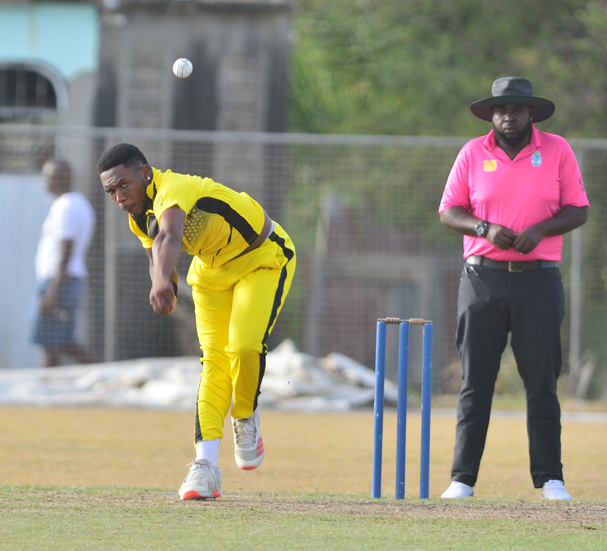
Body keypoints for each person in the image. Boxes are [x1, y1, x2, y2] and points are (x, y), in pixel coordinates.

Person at [97, 143, 296, 501]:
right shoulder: (137, 218)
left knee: (244, 346)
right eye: (110, 191)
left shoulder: (173, 189)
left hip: (262, 257)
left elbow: (171, 236)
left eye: (123, 185)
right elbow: (158, 256)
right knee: (214, 362)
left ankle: (245, 415)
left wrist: (160, 282)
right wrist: (166, 283)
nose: (119, 196)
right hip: (211, 271)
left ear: (145, 173)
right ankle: (204, 467)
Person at [438, 77, 589, 500]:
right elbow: (450, 211)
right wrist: (485, 228)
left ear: (530, 114)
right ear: (491, 114)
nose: (509, 117)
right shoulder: (472, 152)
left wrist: (540, 229)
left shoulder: (556, 149)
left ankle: (550, 479)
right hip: (481, 278)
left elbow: (578, 209)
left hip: (539, 280)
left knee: (541, 382)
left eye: (517, 110)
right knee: (476, 383)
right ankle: (462, 479)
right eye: (501, 110)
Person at [32, 159, 96, 368]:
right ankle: (98, 373)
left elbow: (65, 250)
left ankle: (42, 396)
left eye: (46, 176)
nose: (44, 181)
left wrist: (53, 291)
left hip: (61, 281)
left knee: (50, 344)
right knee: (64, 340)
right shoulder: (79, 203)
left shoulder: (65, 206)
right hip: (67, 280)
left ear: (59, 178)